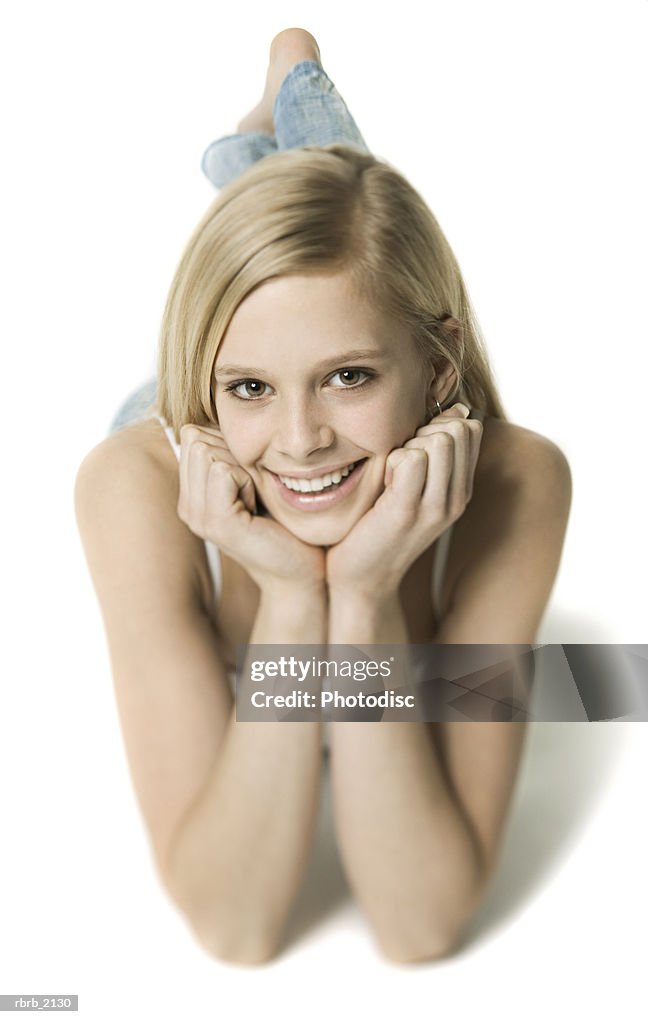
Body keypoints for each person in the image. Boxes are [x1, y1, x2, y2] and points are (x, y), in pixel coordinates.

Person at [74, 28, 572, 966]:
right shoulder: (130, 489)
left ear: (438, 367)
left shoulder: (519, 484)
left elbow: (419, 924)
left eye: (350, 376)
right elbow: (237, 927)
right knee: (311, 285)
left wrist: (370, 594)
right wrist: (299, 598)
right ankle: (281, 158)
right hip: (209, 450)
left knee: (344, 263)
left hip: (325, 416)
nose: (301, 439)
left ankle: (288, 164)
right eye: (249, 385)